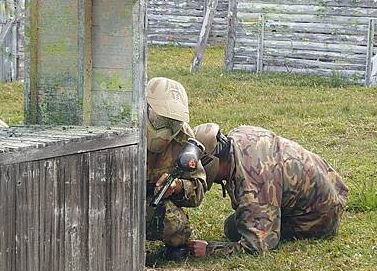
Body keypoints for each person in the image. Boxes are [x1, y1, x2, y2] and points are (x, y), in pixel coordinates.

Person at [187, 123, 348, 258]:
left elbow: (259, 246)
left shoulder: (253, 182)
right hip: (331, 188)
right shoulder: (239, 136)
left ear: (212, 163)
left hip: (321, 216)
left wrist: (210, 249)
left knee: (234, 228)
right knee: (238, 222)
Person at [145, 77, 207, 260]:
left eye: (173, 124)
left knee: (175, 224)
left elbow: (198, 189)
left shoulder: (184, 138)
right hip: (115, 200)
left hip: (151, 201)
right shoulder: (126, 128)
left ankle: (173, 250)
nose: (166, 131)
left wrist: (178, 186)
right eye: (160, 120)